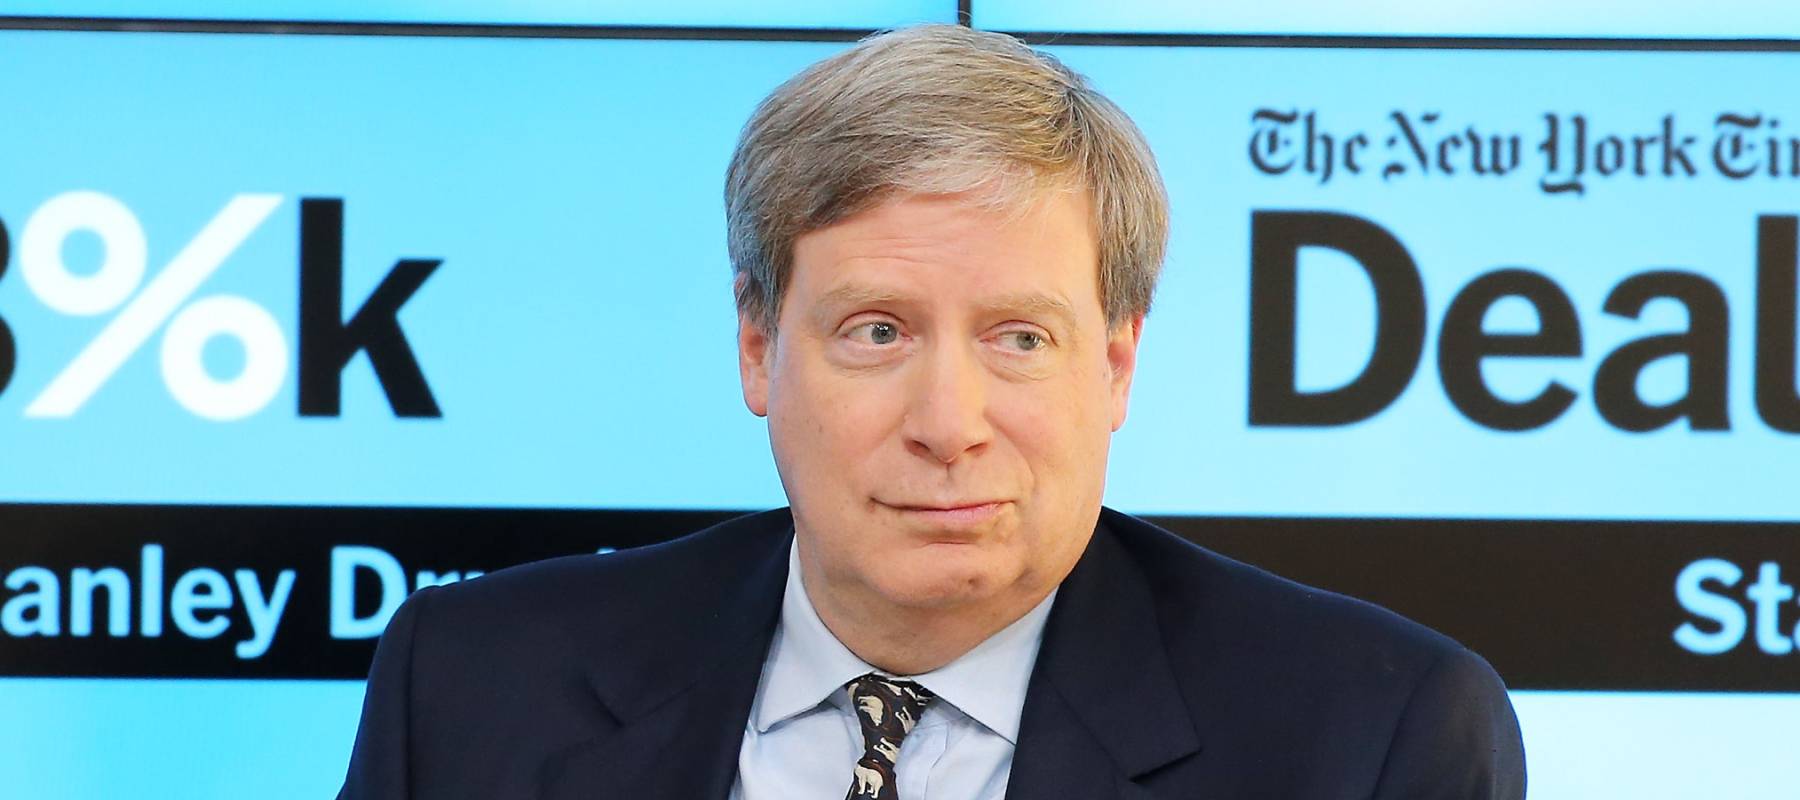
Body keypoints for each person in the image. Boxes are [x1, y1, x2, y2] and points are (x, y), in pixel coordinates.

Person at [338, 24, 1524, 800]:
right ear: (760, 347)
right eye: (878, 332)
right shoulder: (472, 686)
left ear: (1115, 367)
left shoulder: (1370, 738)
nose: (948, 422)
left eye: (1020, 338)